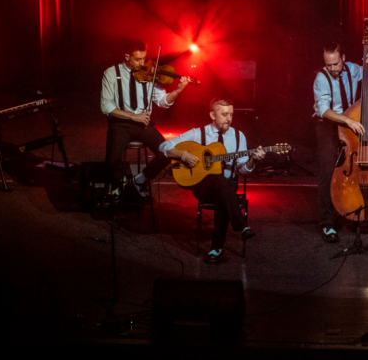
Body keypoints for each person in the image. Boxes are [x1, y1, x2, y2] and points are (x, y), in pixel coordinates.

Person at [160, 98, 265, 263]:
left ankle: (217, 248)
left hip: (227, 187)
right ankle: (241, 225)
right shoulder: (198, 133)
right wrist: (183, 155)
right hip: (202, 186)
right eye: (224, 114)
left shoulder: (239, 136)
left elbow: (243, 170)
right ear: (212, 115)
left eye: (231, 114)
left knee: (222, 189)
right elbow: (164, 146)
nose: (229, 118)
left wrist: (252, 160)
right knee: (221, 185)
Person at [100, 39, 189, 199]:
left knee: (167, 152)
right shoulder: (111, 73)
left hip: (143, 125)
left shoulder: (150, 73)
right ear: (127, 57)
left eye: (144, 58)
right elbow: (105, 105)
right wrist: (133, 116)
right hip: (120, 124)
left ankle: (140, 180)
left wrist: (177, 91)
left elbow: (162, 101)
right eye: (138, 59)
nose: (143, 63)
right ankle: (118, 186)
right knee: (112, 161)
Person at [312, 42, 368, 242]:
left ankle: (350, 209)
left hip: (350, 122)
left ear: (343, 59)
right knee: (327, 173)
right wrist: (349, 120)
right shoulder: (321, 78)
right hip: (328, 124)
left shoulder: (352, 68)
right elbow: (324, 110)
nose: (333, 69)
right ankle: (327, 223)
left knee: (353, 168)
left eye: (336, 64)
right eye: (328, 65)